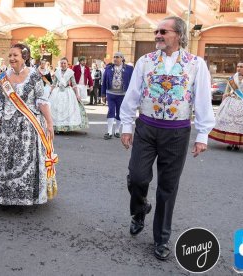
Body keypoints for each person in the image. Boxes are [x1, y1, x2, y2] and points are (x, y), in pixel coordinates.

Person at [119, 16, 215, 260]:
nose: (158, 35)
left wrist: (202, 134)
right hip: (146, 128)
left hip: (177, 132)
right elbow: (132, 95)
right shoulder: (145, 61)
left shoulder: (196, 64)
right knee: (138, 177)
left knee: (168, 188)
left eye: (163, 31)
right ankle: (139, 209)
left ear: (179, 35)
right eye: (156, 31)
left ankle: (161, 238)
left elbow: (202, 100)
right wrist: (127, 126)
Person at [0, 43, 57, 205]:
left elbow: (41, 101)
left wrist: (49, 122)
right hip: (1, 124)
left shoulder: (34, 76)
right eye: (10, 55)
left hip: (26, 126)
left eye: (15, 55)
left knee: (21, 160)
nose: (12, 58)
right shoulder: (4, 76)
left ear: (24, 57)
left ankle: (20, 195)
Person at [209, 62, 243, 150]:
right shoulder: (232, 79)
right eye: (238, 66)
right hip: (232, 102)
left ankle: (237, 144)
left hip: (241, 103)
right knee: (229, 122)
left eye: (241, 67)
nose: (239, 68)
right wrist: (226, 95)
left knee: (239, 125)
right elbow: (227, 90)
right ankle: (230, 142)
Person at [49, 57, 89, 132]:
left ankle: (66, 127)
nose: (63, 64)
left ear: (67, 64)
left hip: (67, 92)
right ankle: (57, 126)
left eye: (64, 63)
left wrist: (77, 94)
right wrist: (50, 93)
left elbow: (74, 84)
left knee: (68, 110)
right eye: (62, 63)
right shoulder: (57, 72)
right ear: (60, 64)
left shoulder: (70, 72)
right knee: (56, 109)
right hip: (57, 92)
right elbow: (54, 84)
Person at [101, 52, 134, 139]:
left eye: (117, 57)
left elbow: (133, 83)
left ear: (122, 59)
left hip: (122, 95)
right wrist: (103, 94)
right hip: (110, 93)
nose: (115, 59)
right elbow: (104, 81)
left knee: (119, 112)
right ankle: (109, 132)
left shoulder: (129, 69)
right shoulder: (108, 68)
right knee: (111, 110)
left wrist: (131, 95)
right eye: (114, 57)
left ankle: (117, 131)